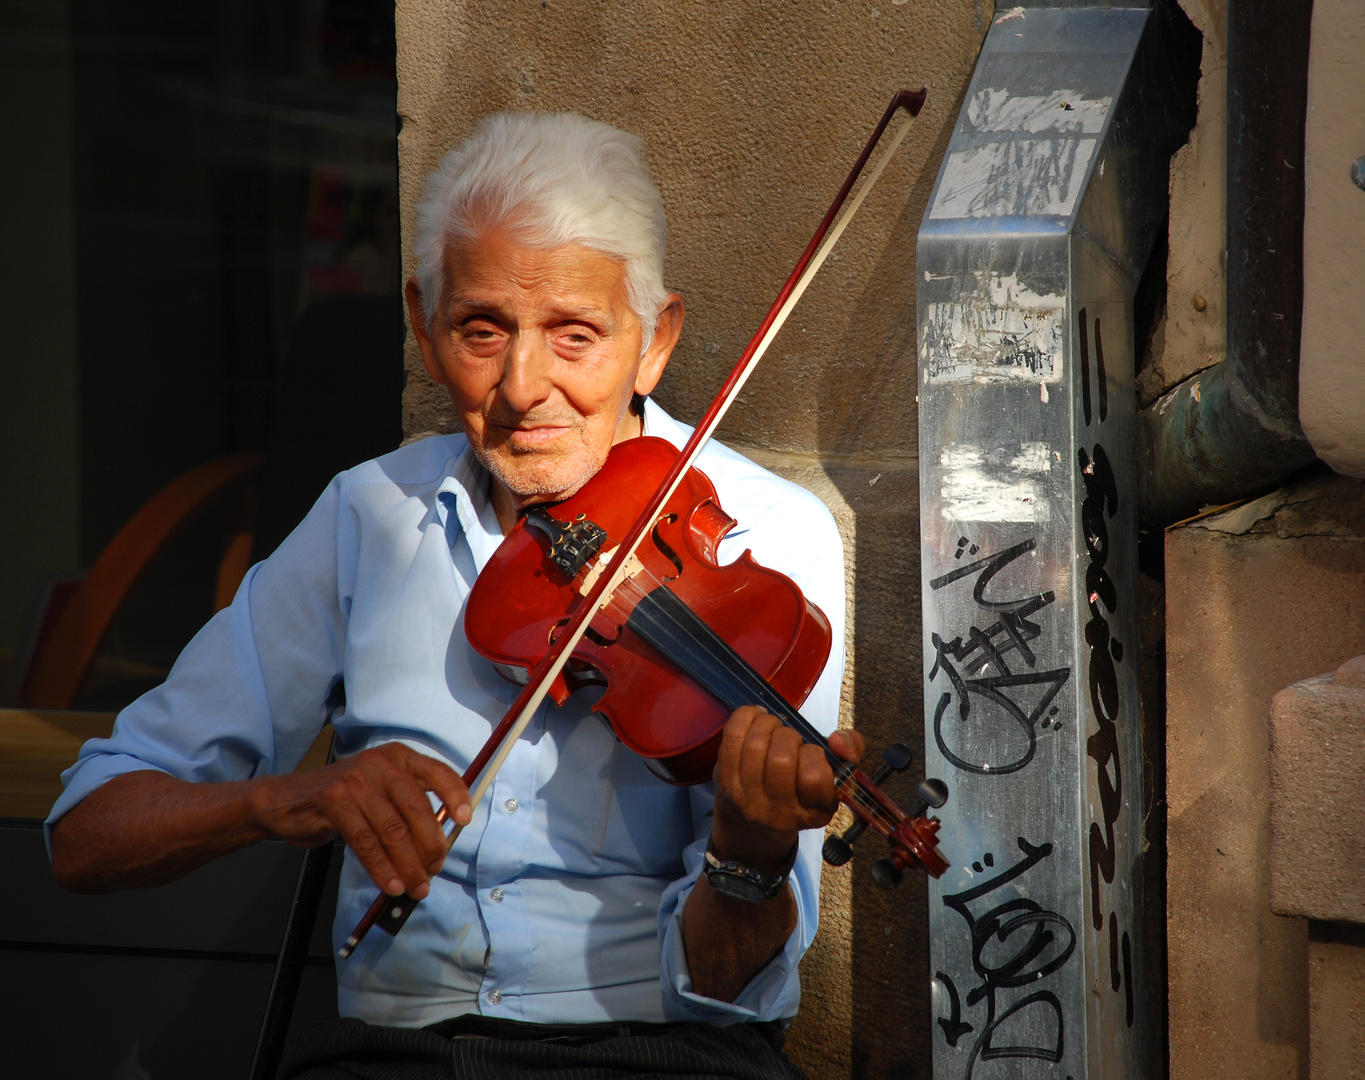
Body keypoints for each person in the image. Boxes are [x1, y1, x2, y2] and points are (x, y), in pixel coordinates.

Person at [47, 112, 860, 1080]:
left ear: (656, 342)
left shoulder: (761, 536)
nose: (524, 388)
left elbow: (733, 980)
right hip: (394, 1058)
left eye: (575, 336)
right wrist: (283, 800)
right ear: (424, 333)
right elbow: (85, 833)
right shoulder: (368, 515)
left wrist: (750, 852)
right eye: (482, 329)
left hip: (667, 1057)